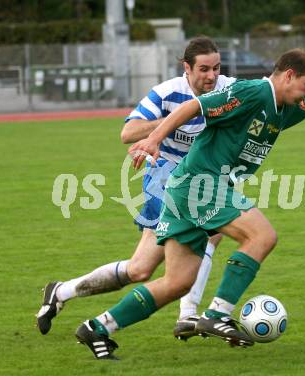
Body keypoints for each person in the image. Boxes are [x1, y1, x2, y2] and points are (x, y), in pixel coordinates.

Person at [74, 48, 305, 360]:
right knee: (261, 236)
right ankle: (217, 313)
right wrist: (155, 139)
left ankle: (98, 327)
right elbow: (193, 108)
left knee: (177, 283)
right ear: (289, 75)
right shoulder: (254, 93)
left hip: (189, 189)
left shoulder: (286, 105)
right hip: (201, 184)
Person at [36, 36, 236, 340]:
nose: (211, 76)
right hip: (165, 181)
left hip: (199, 181)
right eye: (204, 69)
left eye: (217, 68)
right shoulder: (167, 92)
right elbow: (127, 132)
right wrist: (174, 120)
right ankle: (189, 314)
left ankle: (61, 291)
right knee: (212, 230)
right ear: (187, 68)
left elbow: (264, 94)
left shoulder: (226, 89)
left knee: (140, 270)